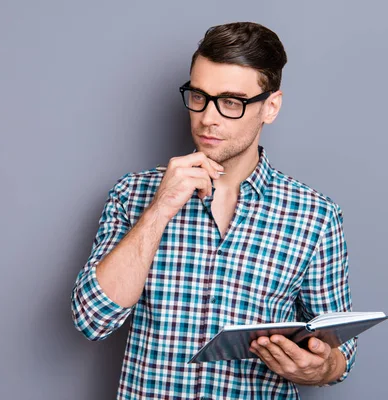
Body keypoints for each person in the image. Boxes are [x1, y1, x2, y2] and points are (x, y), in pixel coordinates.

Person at [71, 21, 356, 399]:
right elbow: (93, 319)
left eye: (231, 102)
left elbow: (339, 349)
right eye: (198, 96)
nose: (208, 117)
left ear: (270, 107)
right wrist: (160, 209)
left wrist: (321, 366)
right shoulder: (133, 193)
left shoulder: (315, 216)